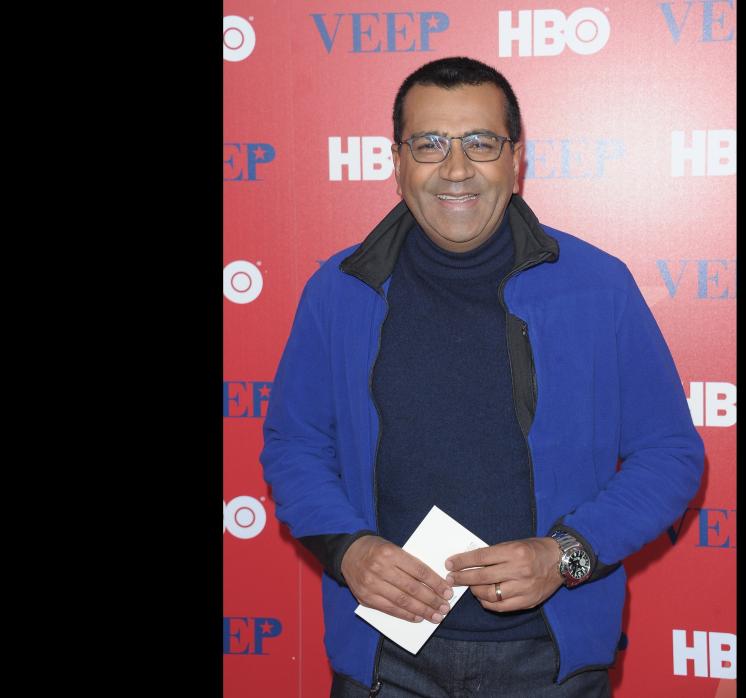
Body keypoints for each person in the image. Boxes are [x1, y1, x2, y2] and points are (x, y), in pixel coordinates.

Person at [260, 56, 704, 697]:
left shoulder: (598, 285)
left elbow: (668, 455)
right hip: (386, 660)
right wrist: (350, 549)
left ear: (515, 160)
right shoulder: (338, 291)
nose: (457, 168)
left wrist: (564, 555)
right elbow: (295, 446)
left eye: (480, 143)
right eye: (430, 144)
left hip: (551, 663)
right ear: (397, 161)